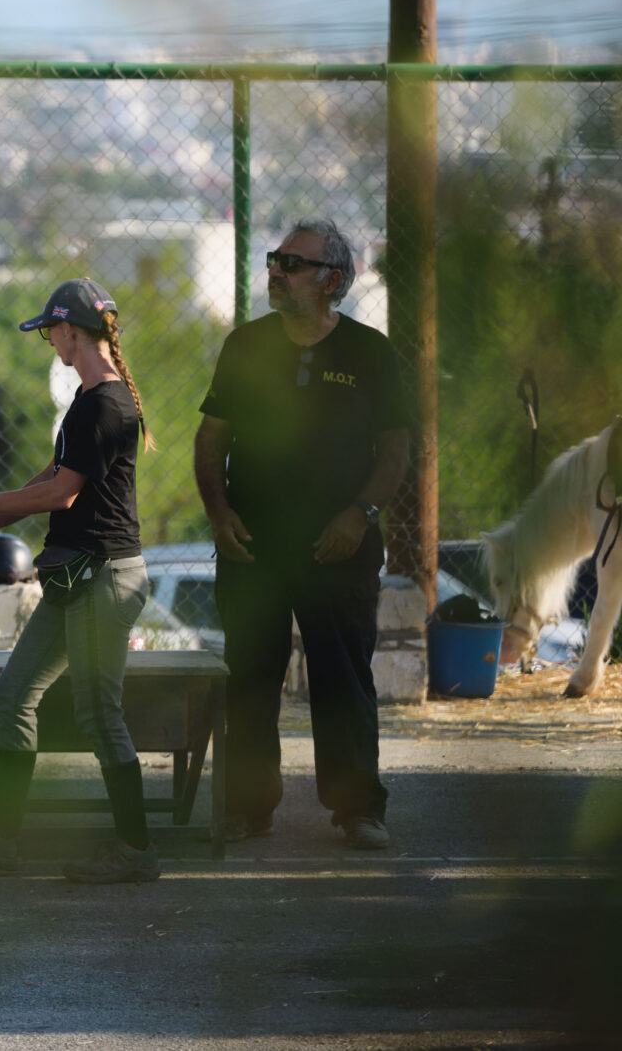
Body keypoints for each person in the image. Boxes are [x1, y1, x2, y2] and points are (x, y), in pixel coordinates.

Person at [194, 219, 412, 851]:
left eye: (292, 264)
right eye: (274, 260)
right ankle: (247, 809)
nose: (276, 273)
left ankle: (358, 811)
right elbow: (212, 440)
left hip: (338, 549)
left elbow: (396, 450)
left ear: (331, 281)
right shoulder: (246, 346)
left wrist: (359, 514)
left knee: (343, 677)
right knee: (250, 677)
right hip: (253, 547)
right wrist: (218, 512)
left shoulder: (370, 354)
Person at [0, 277, 160, 884]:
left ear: (71, 331)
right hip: (76, 578)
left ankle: (136, 851)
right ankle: (3, 838)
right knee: (14, 695)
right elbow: (55, 474)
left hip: (103, 578)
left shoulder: (104, 403)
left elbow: (63, 492)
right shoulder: (91, 402)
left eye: (51, 331)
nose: (49, 341)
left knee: (96, 713)